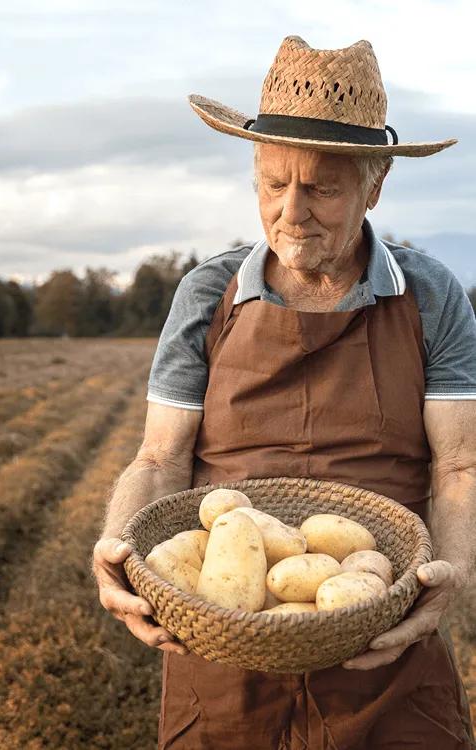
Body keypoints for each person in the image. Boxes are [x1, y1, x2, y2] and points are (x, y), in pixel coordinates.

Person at [93, 36, 476, 749]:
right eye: (275, 182)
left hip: (385, 646)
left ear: (375, 184)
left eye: (323, 188)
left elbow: (459, 468)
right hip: (224, 653)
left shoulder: (430, 296)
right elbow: (158, 459)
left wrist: (447, 580)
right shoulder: (208, 294)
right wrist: (117, 541)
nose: (291, 211)